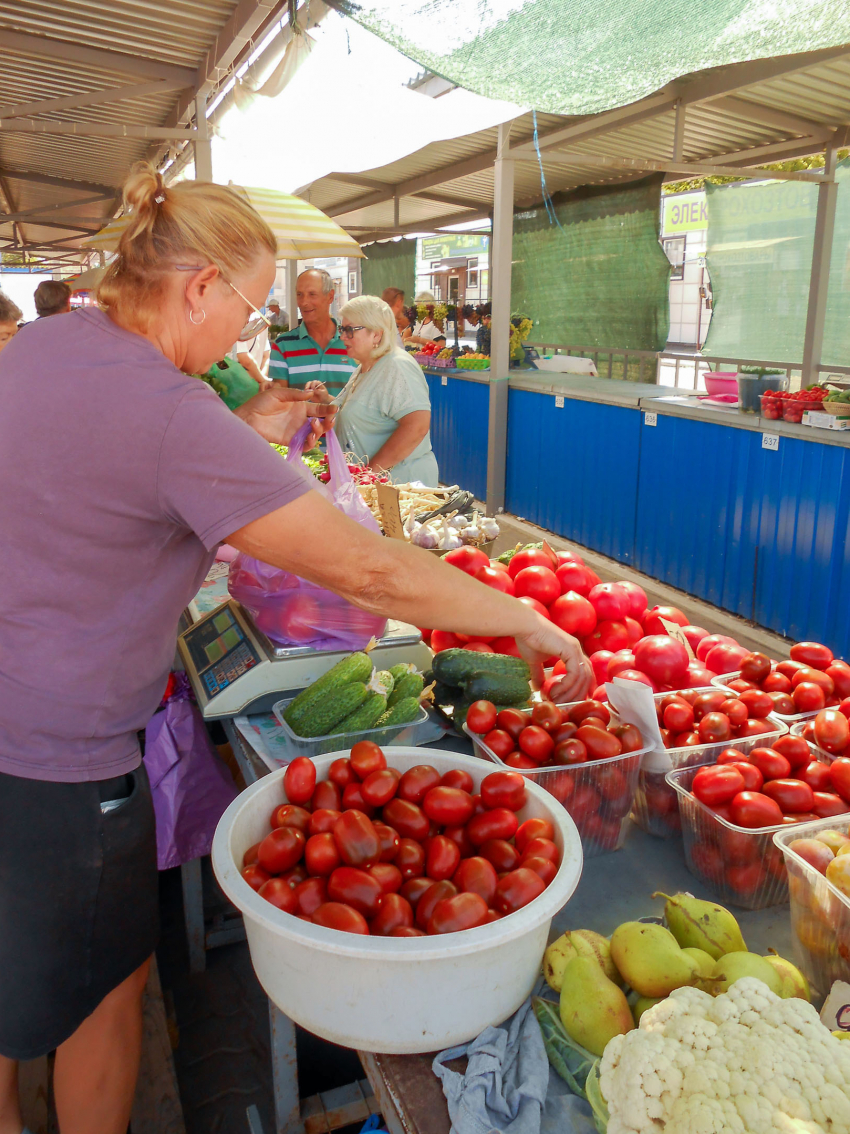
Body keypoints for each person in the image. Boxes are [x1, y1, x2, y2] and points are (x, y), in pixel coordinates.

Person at [0, 162, 592, 1134]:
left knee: (15, 972)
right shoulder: (166, 407)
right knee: (102, 999)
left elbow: (104, 481)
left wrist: (240, 433)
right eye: (246, 305)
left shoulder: (40, 348)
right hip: (62, 761)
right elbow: (373, 572)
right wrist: (521, 618)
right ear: (197, 287)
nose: (246, 330)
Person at [332, 295, 440, 484]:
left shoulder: (397, 366)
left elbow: (417, 426)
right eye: (342, 329)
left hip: (402, 490)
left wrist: (367, 475)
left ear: (377, 334)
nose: (342, 336)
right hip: (374, 489)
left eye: (350, 330)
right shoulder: (365, 367)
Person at [268, 267, 356, 396]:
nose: (304, 302)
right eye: (299, 295)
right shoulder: (282, 345)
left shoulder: (353, 341)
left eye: (312, 294)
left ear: (330, 297)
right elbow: (281, 400)